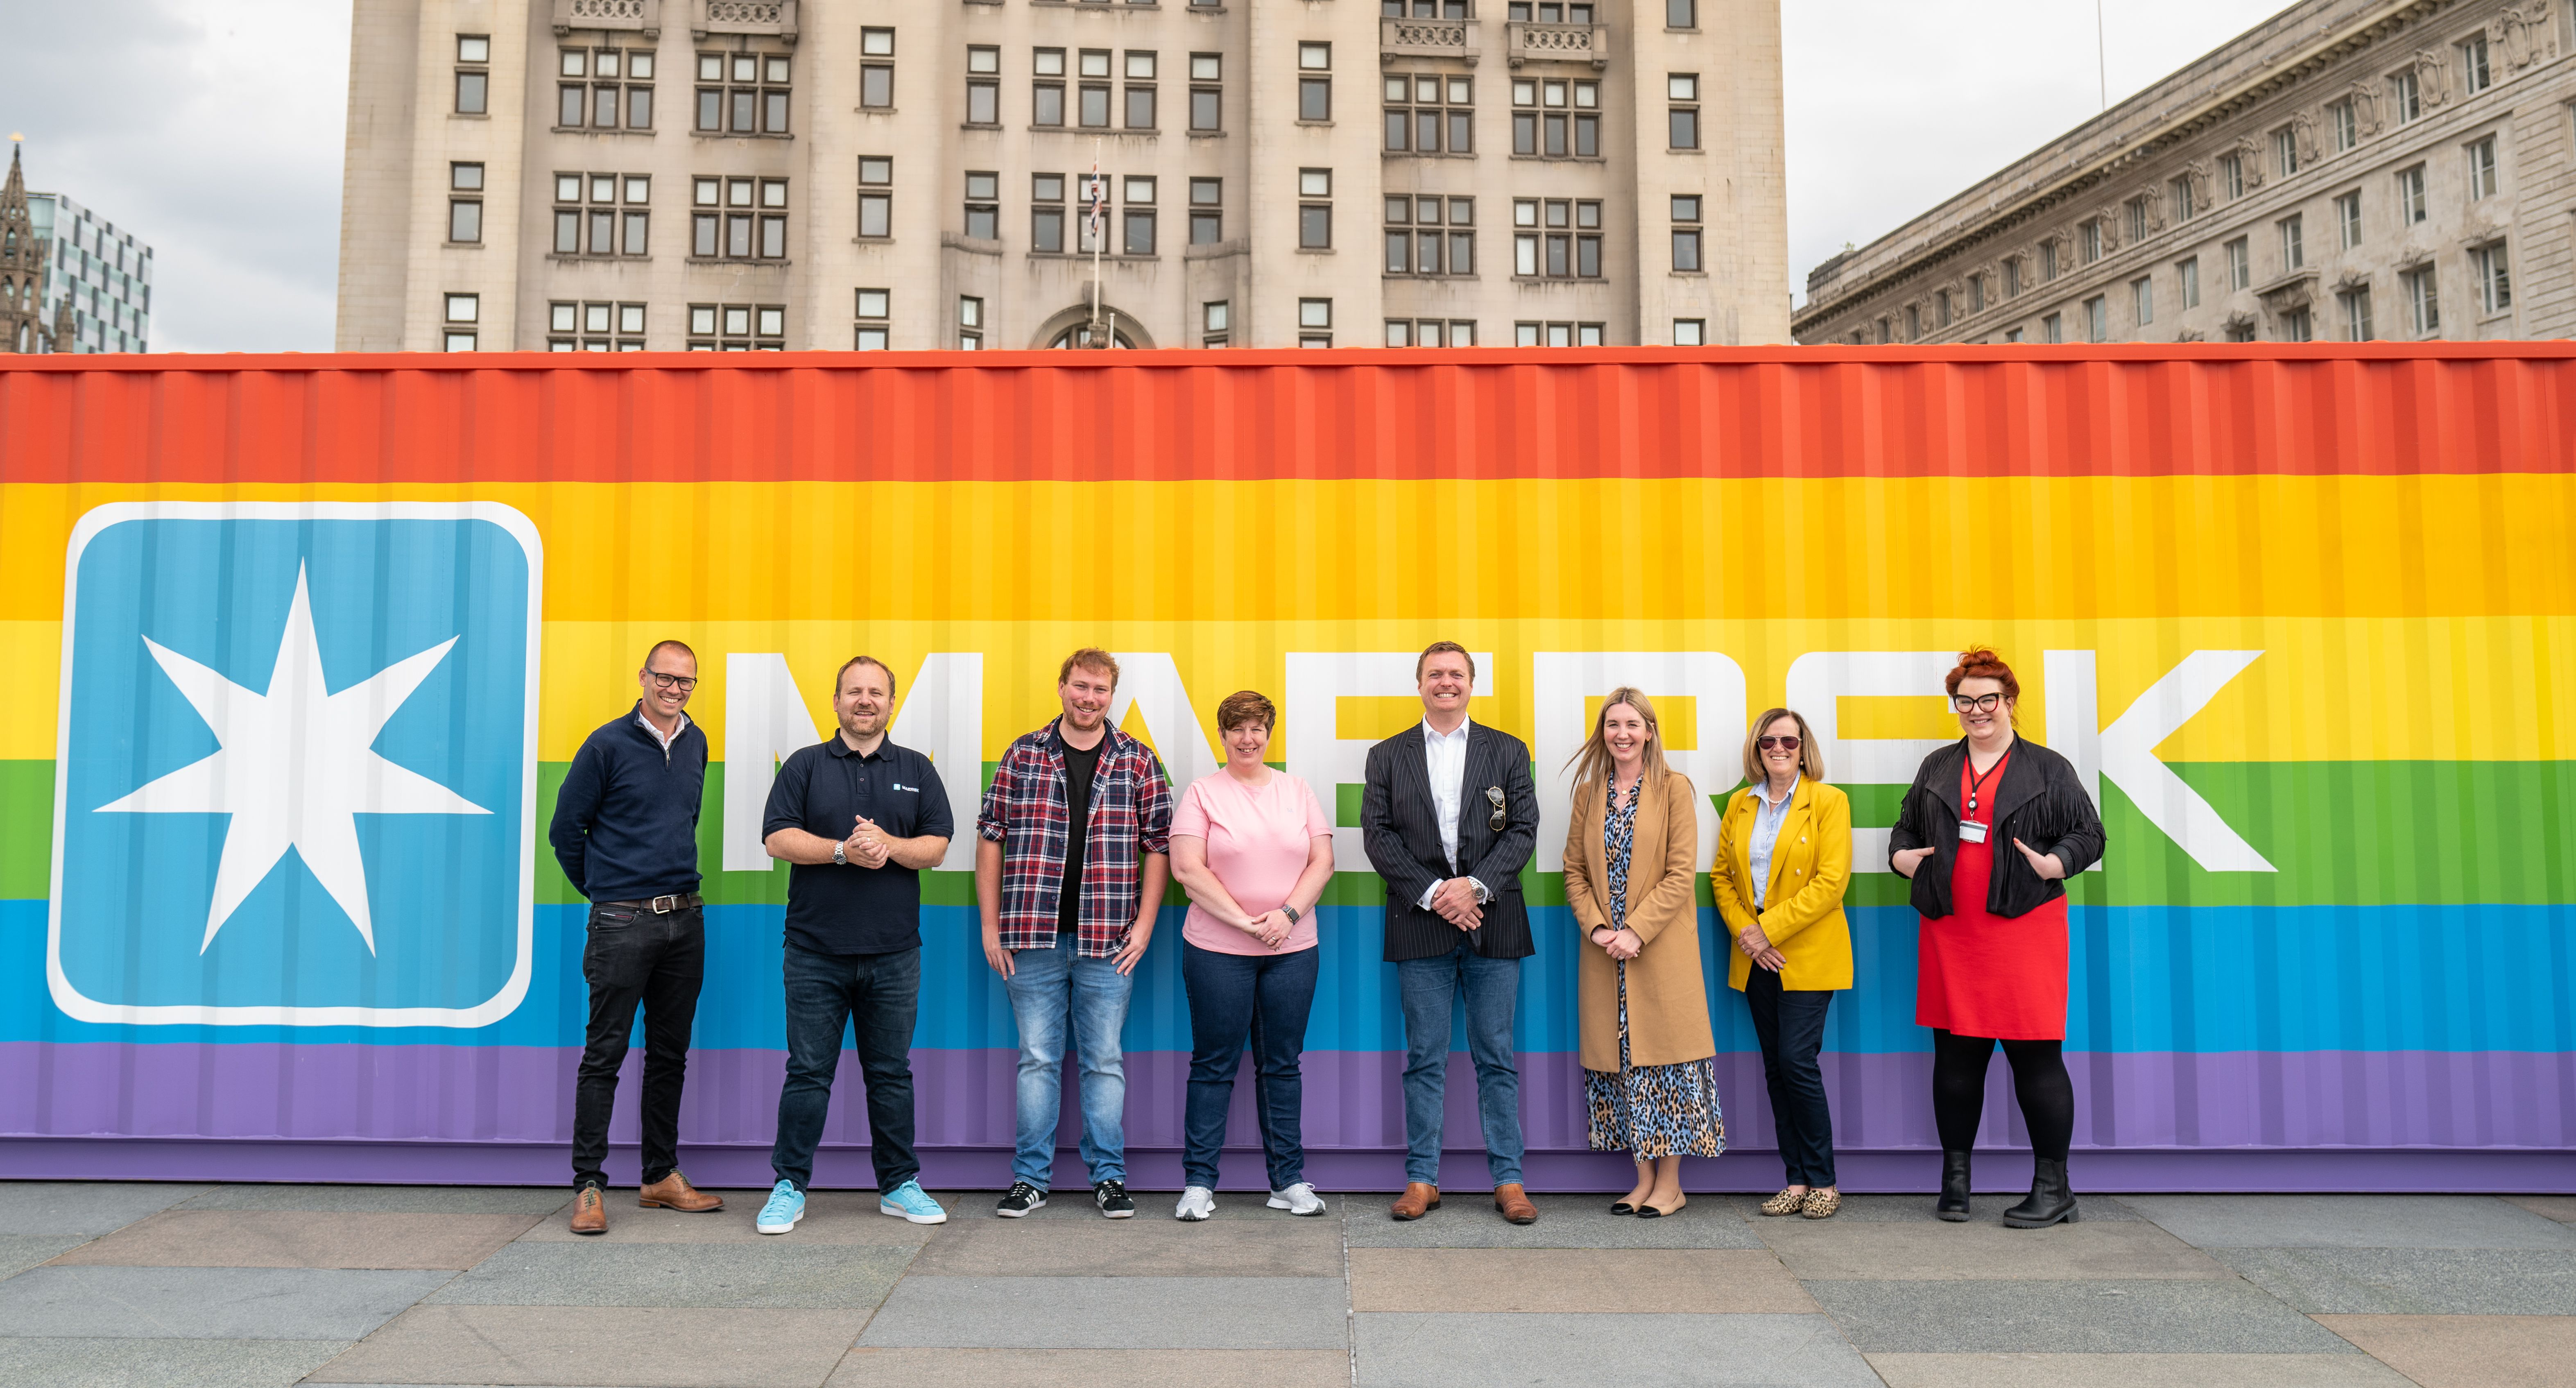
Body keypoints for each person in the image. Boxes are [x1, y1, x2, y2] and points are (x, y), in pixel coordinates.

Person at [1889, 648, 2105, 1229]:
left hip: (2023, 930)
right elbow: (1905, 826)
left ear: (2009, 703)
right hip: (1950, 931)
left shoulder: (2047, 768)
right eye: (1965, 701)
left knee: (2036, 1058)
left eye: (1988, 699)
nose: (1976, 710)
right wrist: (1901, 857)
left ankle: (2054, 1188)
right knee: (1955, 1060)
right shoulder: (1937, 766)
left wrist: (2056, 863)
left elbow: (2089, 834)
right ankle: (1955, 1184)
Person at [753, 657, 954, 1234]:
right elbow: (777, 837)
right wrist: (844, 850)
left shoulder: (917, 768)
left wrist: (888, 845)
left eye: (876, 692)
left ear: (891, 704)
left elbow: (937, 846)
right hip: (814, 951)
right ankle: (788, 1185)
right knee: (809, 1072)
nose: (864, 701)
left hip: (894, 953)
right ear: (836, 700)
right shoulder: (805, 765)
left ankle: (898, 1184)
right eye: (854, 691)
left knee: (890, 1073)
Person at [976, 648, 1174, 1219]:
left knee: (1103, 1060)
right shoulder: (1023, 754)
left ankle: (1109, 1177)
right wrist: (990, 926)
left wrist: (1144, 925)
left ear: (1111, 695)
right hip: (1031, 937)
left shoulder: (1136, 759)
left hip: (1108, 941)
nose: (1089, 698)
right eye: (1080, 686)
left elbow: (1158, 844)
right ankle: (1030, 1178)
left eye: (1100, 690)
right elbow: (990, 838)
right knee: (1037, 1058)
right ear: (1061, 686)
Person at [1361, 641, 1542, 1225]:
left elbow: (1523, 829)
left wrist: (1475, 887)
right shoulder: (1387, 755)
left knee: (1496, 1055)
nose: (1446, 682)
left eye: (1455, 674)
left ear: (1472, 683)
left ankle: (1509, 1181)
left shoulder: (1508, 750)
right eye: (1435, 674)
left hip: (1494, 921)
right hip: (1419, 923)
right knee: (1424, 1057)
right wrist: (1439, 894)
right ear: (1419, 684)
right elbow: (1378, 835)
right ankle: (1422, 1180)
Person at [547, 640, 724, 1234]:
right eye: (665, 678)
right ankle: (589, 1186)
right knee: (605, 1056)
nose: (675, 689)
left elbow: (683, 822)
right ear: (643, 677)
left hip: (685, 919)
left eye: (686, 681)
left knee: (669, 1055)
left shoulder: (697, 742)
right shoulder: (606, 744)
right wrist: (606, 892)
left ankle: (659, 1176)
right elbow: (565, 830)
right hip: (621, 921)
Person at [1167, 690, 1336, 1221]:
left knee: (1281, 1065)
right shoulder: (1202, 793)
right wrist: (1245, 923)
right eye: (1237, 728)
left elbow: (1322, 860)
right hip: (1217, 950)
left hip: (1292, 951)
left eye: (1257, 728)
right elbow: (1188, 869)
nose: (1247, 738)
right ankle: (1198, 1184)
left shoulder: (1297, 789)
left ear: (1268, 733)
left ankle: (1287, 1180)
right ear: (1222, 735)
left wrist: (1285, 916)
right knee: (1213, 1064)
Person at [1561, 688, 1722, 1219]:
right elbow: (1574, 873)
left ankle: (1670, 1184)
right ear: (1602, 733)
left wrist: (1635, 930)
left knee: (1667, 1066)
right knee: (1623, 1064)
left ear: (1649, 731)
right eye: (1612, 724)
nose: (1621, 733)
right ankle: (1642, 1178)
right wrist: (1599, 929)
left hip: (1659, 953)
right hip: (1606, 956)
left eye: (1632, 723)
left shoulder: (1674, 789)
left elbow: (1681, 874)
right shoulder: (1589, 793)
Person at [1714, 708, 1853, 1221]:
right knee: (1776, 1067)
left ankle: (1824, 1180)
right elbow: (1721, 878)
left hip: (1805, 954)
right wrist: (1749, 938)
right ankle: (1794, 1179)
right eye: (1768, 740)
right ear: (1756, 747)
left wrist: (1765, 930)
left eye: (1788, 741)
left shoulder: (1828, 802)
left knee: (1797, 1061)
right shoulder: (1739, 805)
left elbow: (1830, 881)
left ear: (1803, 747)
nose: (1778, 748)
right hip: (1756, 960)